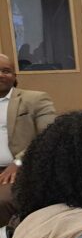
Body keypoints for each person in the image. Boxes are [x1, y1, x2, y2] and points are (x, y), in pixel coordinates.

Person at [0, 53, 56, 227]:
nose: (1, 75)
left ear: (14, 76)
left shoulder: (34, 99)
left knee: (2, 201)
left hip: (20, 170)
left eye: (5, 71)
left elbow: (49, 135)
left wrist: (18, 162)